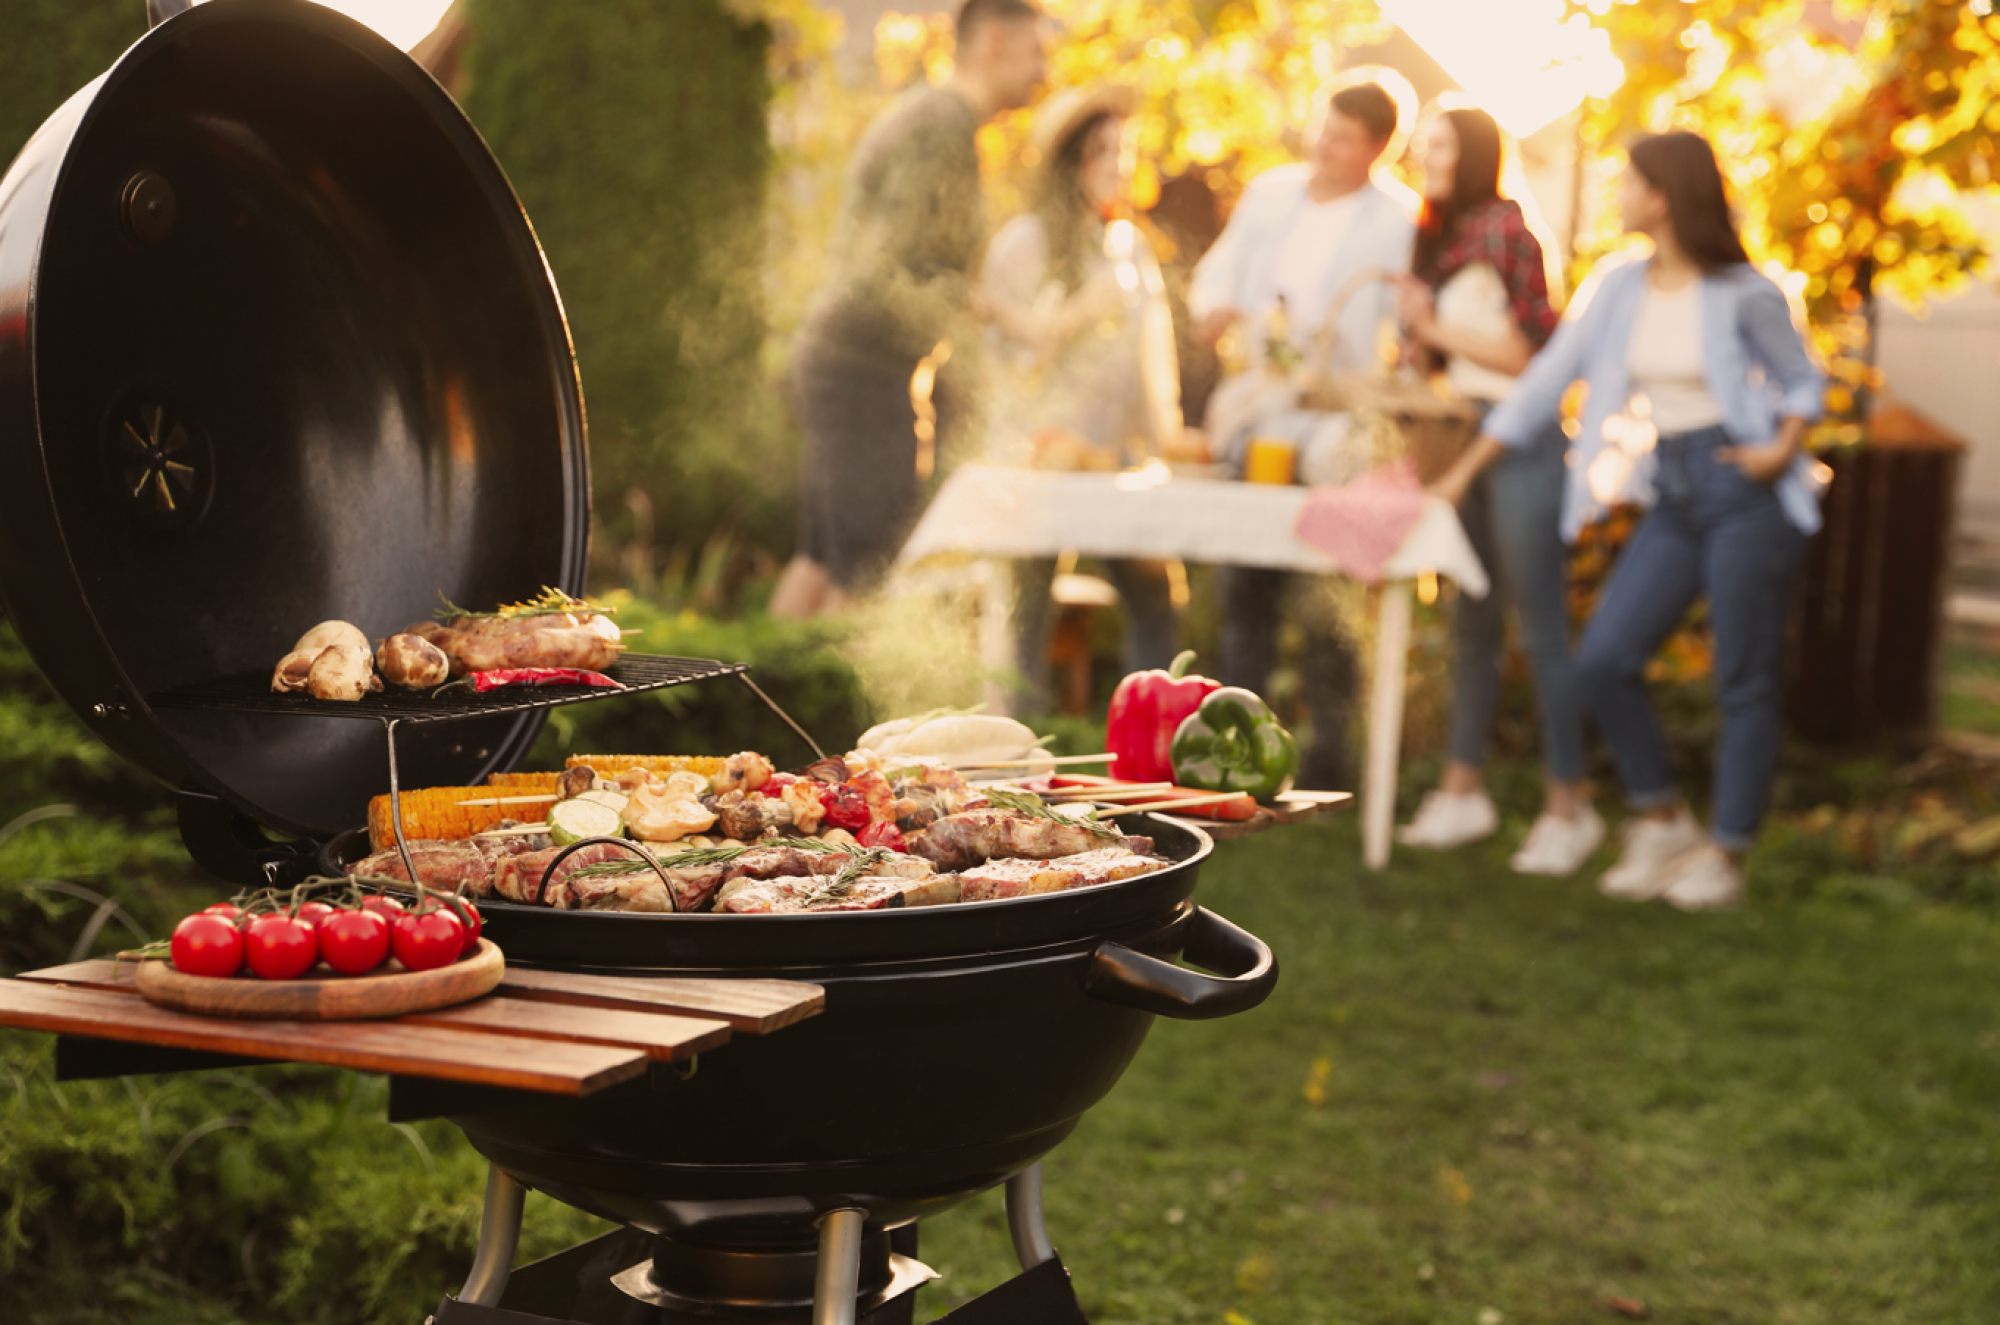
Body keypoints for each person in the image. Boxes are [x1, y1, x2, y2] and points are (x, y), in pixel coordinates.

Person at [1428, 130, 1826, 911]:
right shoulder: (1617, 285)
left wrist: (1778, 450)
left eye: (1629, 179)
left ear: (1665, 195)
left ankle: (1727, 851)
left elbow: (1801, 382)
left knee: (1741, 680)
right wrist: (1462, 472)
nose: (1616, 189)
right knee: (1604, 658)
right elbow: (1545, 382)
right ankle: (1662, 819)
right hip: (1674, 490)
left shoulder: (1745, 291)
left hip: (1744, 493)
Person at [770, 0, 1048, 618]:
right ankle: (832, 714)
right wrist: (994, 332)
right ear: (994, 40)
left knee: (821, 560)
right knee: (862, 576)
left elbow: (913, 264)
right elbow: (895, 270)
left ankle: (757, 709)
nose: (1045, 69)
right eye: (1038, 51)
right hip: (866, 369)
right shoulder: (941, 125)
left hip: (843, 362)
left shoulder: (937, 118)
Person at [1389, 105, 1605, 876]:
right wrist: (1418, 338)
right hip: (1460, 438)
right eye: (1424, 144)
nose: (1425, 154)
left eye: (1441, 144)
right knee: (1471, 622)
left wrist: (1435, 329)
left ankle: (1569, 804)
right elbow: (1449, 367)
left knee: (1540, 626)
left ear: (1476, 153)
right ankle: (1462, 789)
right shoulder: (1443, 243)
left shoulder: (1506, 232)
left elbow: (1525, 358)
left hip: (1522, 445)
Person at [1187, 78, 1417, 788]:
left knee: (1325, 588)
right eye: (1325, 128)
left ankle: (1327, 753)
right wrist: (1216, 305)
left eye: (1344, 138)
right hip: (1259, 408)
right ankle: (1231, 746)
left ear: (1378, 149)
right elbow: (1219, 269)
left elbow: (1405, 327)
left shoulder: (1397, 221)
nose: (1326, 146)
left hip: (1333, 420)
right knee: (1247, 581)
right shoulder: (1271, 194)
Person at [979, 84, 1183, 712]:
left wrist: (1165, 437)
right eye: (1101, 151)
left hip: (1114, 461)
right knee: (1025, 610)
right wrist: (1075, 313)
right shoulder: (1025, 241)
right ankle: (1015, 757)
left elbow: (1153, 359)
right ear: (1068, 160)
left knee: (1156, 598)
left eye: (1124, 152)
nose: (1117, 166)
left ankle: (1156, 740)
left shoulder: (1128, 245)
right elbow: (1005, 362)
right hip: (1040, 459)